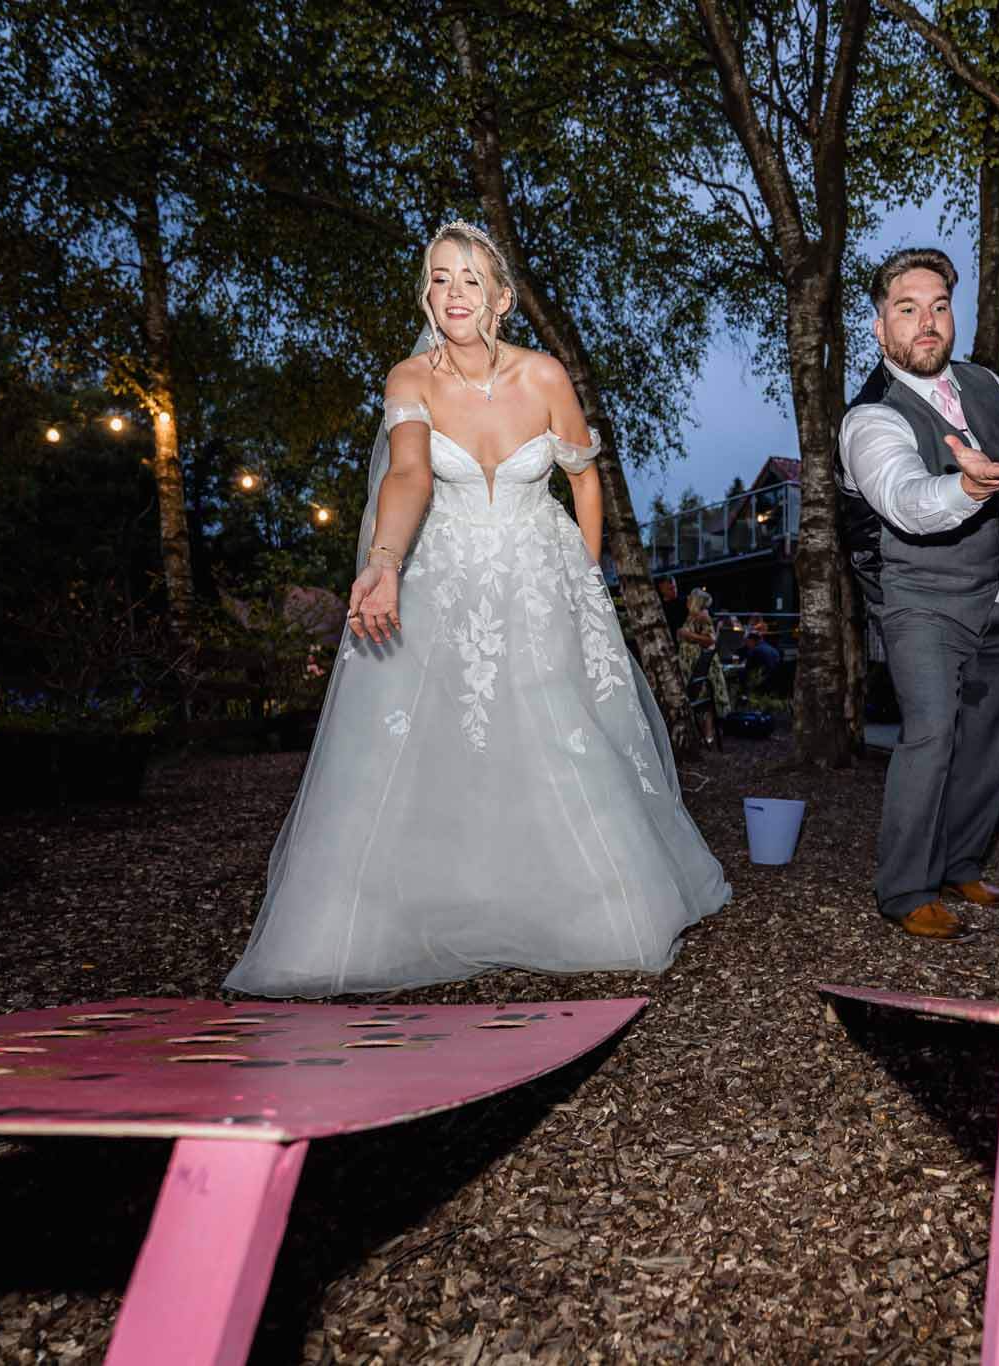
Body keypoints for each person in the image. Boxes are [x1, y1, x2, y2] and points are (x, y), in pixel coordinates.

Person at [225, 222, 730, 997]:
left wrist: (583, 576)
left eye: (469, 279)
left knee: (560, 728)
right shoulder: (410, 379)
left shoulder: (544, 376)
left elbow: (583, 478)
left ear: (500, 299)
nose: (453, 292)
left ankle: (587, 905)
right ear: (426, 295)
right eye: (439, 278)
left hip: (540, 573)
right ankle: (440, 901)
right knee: (441, 735)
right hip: (448, 577)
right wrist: (384, 562)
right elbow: (408, 477)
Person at [839, 246, 999, 942]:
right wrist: (966, 485)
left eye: (939, 306)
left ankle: (962, 864)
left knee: (987, 744)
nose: (927, 322)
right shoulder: (869, 418)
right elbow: (907, 501)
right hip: (918, 599)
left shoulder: (989, 386)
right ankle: (906, 890)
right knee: (931, 737)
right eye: (907, 309)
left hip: (995, 594)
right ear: (881, 328)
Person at [677, 588, 729, 750]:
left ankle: (709, 735)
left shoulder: (702, 616)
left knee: (704, 698)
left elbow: (710, 640)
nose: (686, 601)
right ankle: (704, 735)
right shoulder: (692, 616)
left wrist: (689, 635)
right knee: (699, 699)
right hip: (691, 663)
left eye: (689, 598)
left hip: (700, 664)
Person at [742, 617, 782, 693]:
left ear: (752, 640)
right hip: (775, 682)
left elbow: (748, 668)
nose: (747, 644)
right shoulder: (773, 649)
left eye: (747, 642)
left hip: (763, 682)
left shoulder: (755, 650)